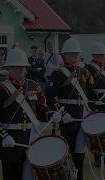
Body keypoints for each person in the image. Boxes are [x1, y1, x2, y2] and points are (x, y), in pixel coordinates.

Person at [0, 48, 56, 180]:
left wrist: (51, 115)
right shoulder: (0, 88)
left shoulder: (34, 86)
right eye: (17, 67)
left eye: (23, 67)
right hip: (11, 141)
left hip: (31, 138)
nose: (21, 70)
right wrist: (3, 136)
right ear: (9, 69)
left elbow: (42, 108)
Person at [45, 38, 91, 180]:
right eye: (72, 54)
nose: (75, 57)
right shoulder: (58, 73)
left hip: (81, 117)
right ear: (64, 55)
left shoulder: (82, 72)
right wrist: (62, 113)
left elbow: (88, 95)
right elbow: (50, 97)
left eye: (77, 54)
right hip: (67, 119)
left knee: (80, 154)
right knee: (67, 154)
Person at [84, 42, 105, 167]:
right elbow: (91, 86)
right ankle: (98, 157)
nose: (103, 57)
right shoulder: (89, 68)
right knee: (98, 133)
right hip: (97, 103)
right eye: (101, 55)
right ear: (94, 55)